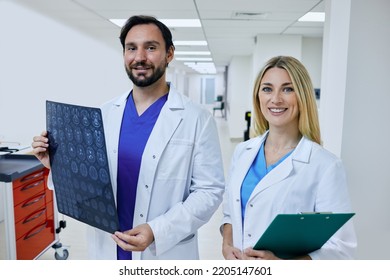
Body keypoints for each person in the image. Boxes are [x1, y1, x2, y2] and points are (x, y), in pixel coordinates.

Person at [32, 15, 225, 260]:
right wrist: (57, 166)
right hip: (107, 248)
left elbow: (209, 191)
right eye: (131, 48)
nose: (140, 57)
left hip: (163, 251)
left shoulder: (197, 119)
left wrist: (157, 230)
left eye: (151, 47)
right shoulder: (102, 114)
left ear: (170, 54)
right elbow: (89, 182)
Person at [221, 56, 357, 260]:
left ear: (302, 96)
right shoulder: (243, 151)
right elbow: (230, 212)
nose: (276, 99)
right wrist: (227, 243)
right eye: (267, 89)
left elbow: (342, 249)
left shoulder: (325, 165)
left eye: (287, 89)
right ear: (258, 96)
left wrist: (282, 265)